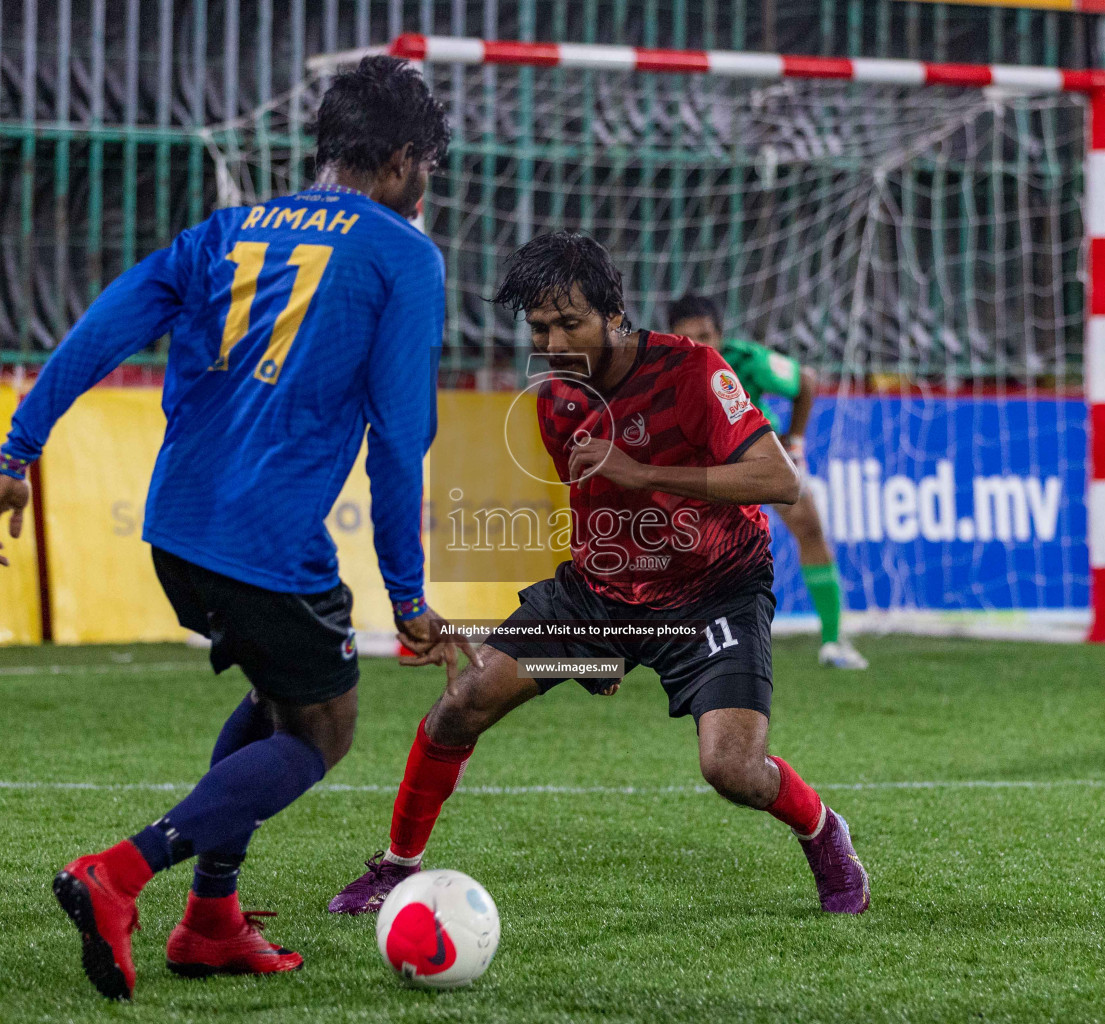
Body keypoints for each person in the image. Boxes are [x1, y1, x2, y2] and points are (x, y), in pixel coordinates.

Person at [0, 56, 468, 1000]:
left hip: (174, 531)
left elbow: (101, 329)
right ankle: (121, 874)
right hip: (265, 541)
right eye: (427, 170)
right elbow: (402, 441)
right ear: (402, 160)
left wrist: (13, 457)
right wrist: (407, 595)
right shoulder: (405, 256)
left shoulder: (226, 230)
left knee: (286, 690)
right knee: (324, 730)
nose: (426, 188)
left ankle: (211, 922)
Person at [326, 232, 870, 918]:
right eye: (539, 327)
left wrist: (645, 472)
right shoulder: (555, 400)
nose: (553, 343)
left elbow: (779, 479)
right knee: (461, 703)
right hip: (605, 589)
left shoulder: (693, 370)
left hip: (715, 591)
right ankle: (395, 869)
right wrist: (602, 638)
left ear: (615, 313)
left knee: (731, 770)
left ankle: (823, 831)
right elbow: (595, 507)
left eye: (569, 323)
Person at [668, 295, 867, 670]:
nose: (700, 345)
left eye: (706, 335)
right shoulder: (664, 369)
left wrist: (794, 442)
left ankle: (834, 641)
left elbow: (805, 381)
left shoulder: (747, 359)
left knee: (809, 527)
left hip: (759, 456)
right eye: (689, 337)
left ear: (721, 335)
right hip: (702, 469)